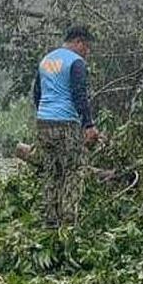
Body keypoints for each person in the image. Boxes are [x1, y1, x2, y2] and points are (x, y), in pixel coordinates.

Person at [33, 25, 100, 228]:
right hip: (66, 123)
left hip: (43, 122)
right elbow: (80, 94)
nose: (87, 52)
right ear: (78, 42)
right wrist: (88, 125)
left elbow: (37, 93)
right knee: (74, 169)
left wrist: (44, 115)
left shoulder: (46, 60)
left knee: (52, 170)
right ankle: (69, 220)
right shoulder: (75, 62)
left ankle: (50, 220)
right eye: (86, 47)